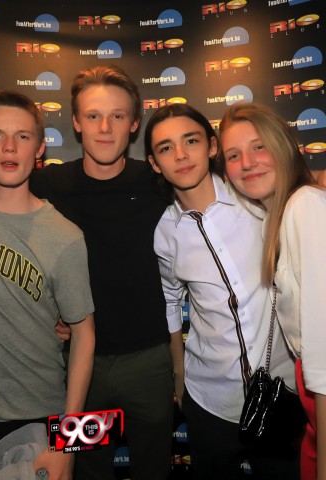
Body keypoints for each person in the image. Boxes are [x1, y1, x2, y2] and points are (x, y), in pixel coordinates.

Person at [0, 90, 95, 480]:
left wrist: (68, 443)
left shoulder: (65, 237)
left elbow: (84, 336)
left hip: (37, 417)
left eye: (23, 136)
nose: (9, 147)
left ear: (39, 148)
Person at [30, 65, 174, 480]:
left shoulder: (159, 181)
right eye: (93, 116)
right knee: (86, 471)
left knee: (154, 470)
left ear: (134, 123)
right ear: (77, 122)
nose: (105, 128)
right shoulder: (48, 185)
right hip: (80, 368)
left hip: (149, 361)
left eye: (117, 116)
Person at [145, 103, 298, 480]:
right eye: (166, 148)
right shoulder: (166, 233)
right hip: (209, 400)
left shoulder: (255, 198)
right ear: (154, 163)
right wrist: (179, 375)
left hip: (282, 391)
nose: (180, 155)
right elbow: (170, 301)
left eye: (191, 141)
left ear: (212, 146)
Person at [219, 102, 326, 480]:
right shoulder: (276, 215)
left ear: (284, 146)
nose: (247, 163)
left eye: (259, 147)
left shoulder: (304, 206)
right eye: (233, 155)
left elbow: (323, 350)